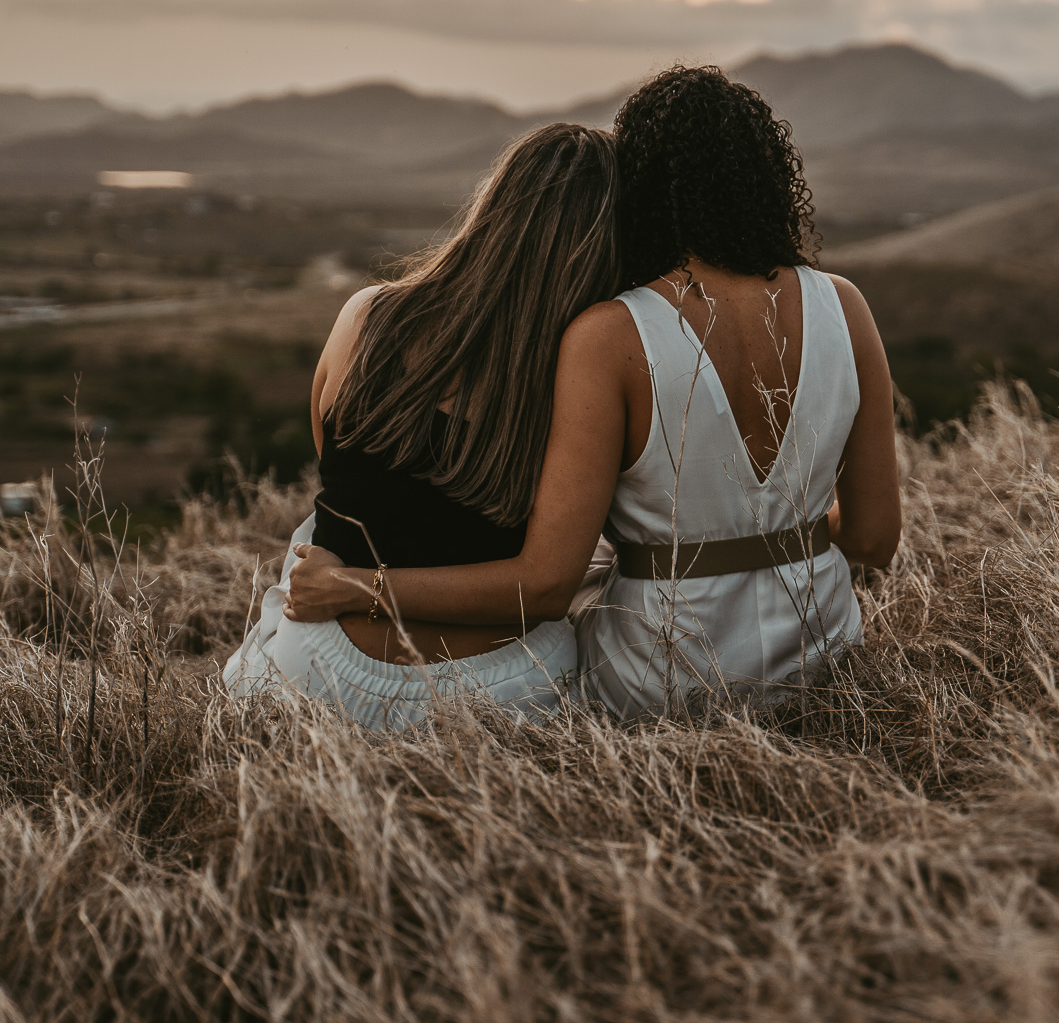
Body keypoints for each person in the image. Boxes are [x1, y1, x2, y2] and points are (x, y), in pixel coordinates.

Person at [281, 65, 901, 720]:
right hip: (821, 650)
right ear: (769, 175)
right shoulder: (846, 306)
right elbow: (873, 539)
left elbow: (546, 575)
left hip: (663, 676)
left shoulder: (612, 333)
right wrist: (772, 542)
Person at [222, 121, 621, 728]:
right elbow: (544, 590)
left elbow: (338, 472)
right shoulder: (577, 381)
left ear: (493, 210)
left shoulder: (366, 317)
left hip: (322, 671)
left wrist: (353, 585)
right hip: (500, 692)